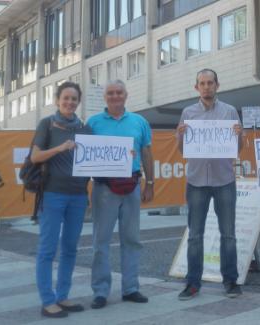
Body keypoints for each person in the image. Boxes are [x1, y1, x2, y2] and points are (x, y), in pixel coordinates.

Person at [176, 69, 243, 300]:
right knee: (195, 235)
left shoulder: (230, 111)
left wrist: (238, 135)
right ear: (196, 87)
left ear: (217, 85)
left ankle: (231, 281)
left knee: (229, 234)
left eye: (210, 83)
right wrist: (180, 135)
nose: (206, 87)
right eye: (202, 83)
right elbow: (183, 150)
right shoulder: (187, 112)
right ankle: (193, 283)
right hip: (196, 181)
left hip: (224, 179)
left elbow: (238, 148)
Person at [88, 80, 155, 309]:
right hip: (103, 188)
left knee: (132, 239)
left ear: (126, 95)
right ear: (105, 97)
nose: (115, 96)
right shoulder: (93, 122)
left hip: (132, 185)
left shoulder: (140, 122)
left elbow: (147, 152)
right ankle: (100, 291)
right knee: (100, 241)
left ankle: (131, 288)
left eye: (119, 92)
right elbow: (85, 154)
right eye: (110, 93)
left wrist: (151, 183)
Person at [31, 82, 91, 318]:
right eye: (65, 98)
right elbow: (35, 157)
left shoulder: (84, 128)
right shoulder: (47, 124)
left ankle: (62, 296)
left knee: (70, 249)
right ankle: (47, 301)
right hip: (53, 194)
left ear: (78, 101)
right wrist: (59, 148)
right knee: (47, 249)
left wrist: (126, 155)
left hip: (78, 195)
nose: (69, 102)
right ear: (57, 100)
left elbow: (97, 157)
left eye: (74, 99)